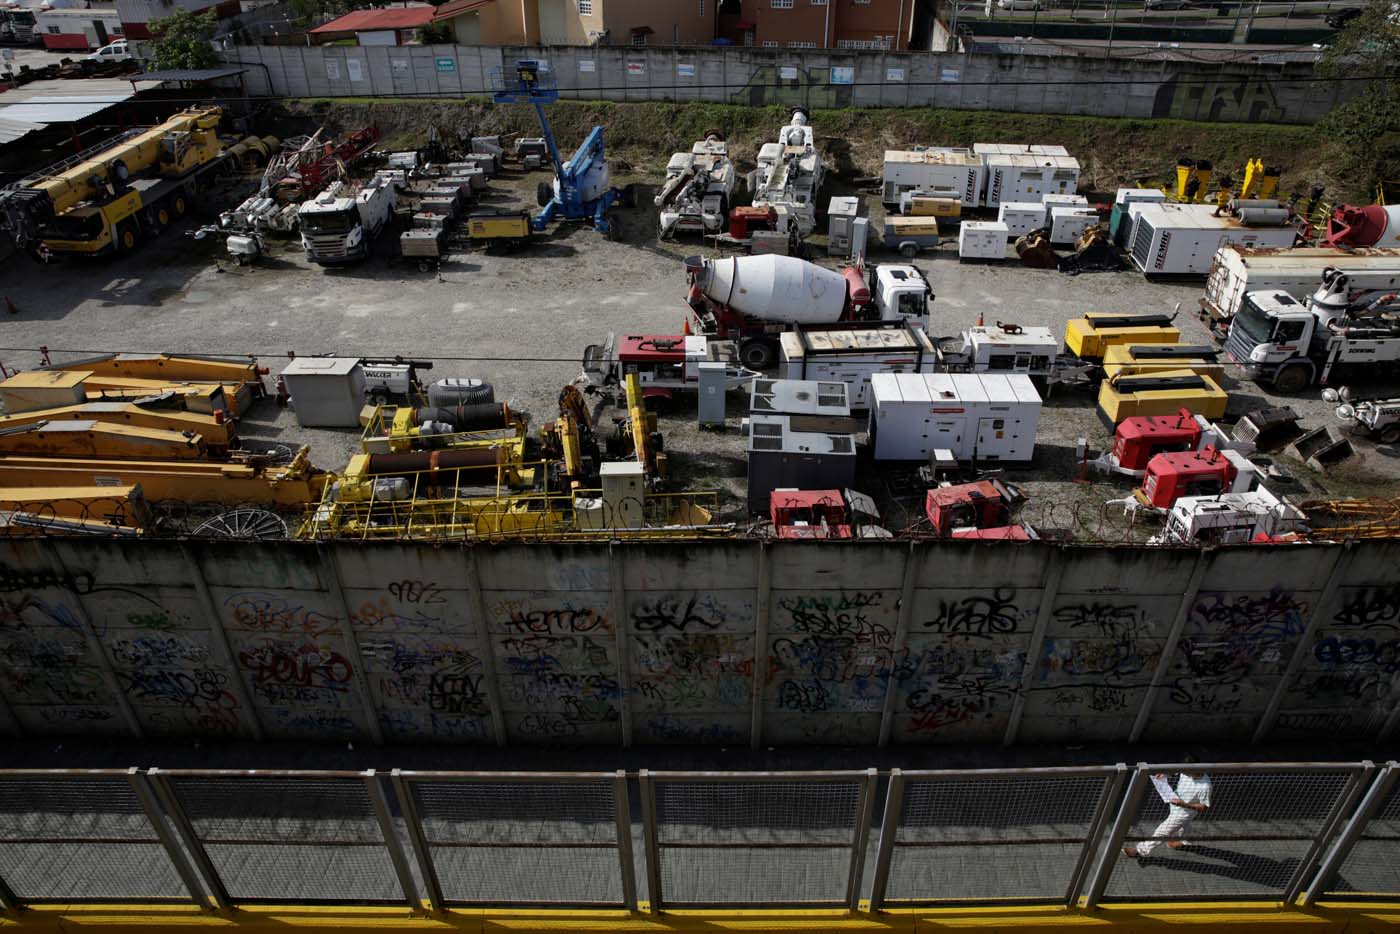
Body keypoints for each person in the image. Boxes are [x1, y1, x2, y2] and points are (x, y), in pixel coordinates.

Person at [1123, 756, 1211, 859]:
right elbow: (1177, 771)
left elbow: (1204, 807)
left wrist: (1183, 804)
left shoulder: (1205, 786)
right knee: (1184, 826)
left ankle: (1139, 851)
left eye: (1186, 772)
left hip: (1184, 813)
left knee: (1162, 832)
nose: (1184, 774)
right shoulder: (1186, 770)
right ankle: (1184, 842)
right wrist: (1166, 775)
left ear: (1195, 769)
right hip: (1176, 802)